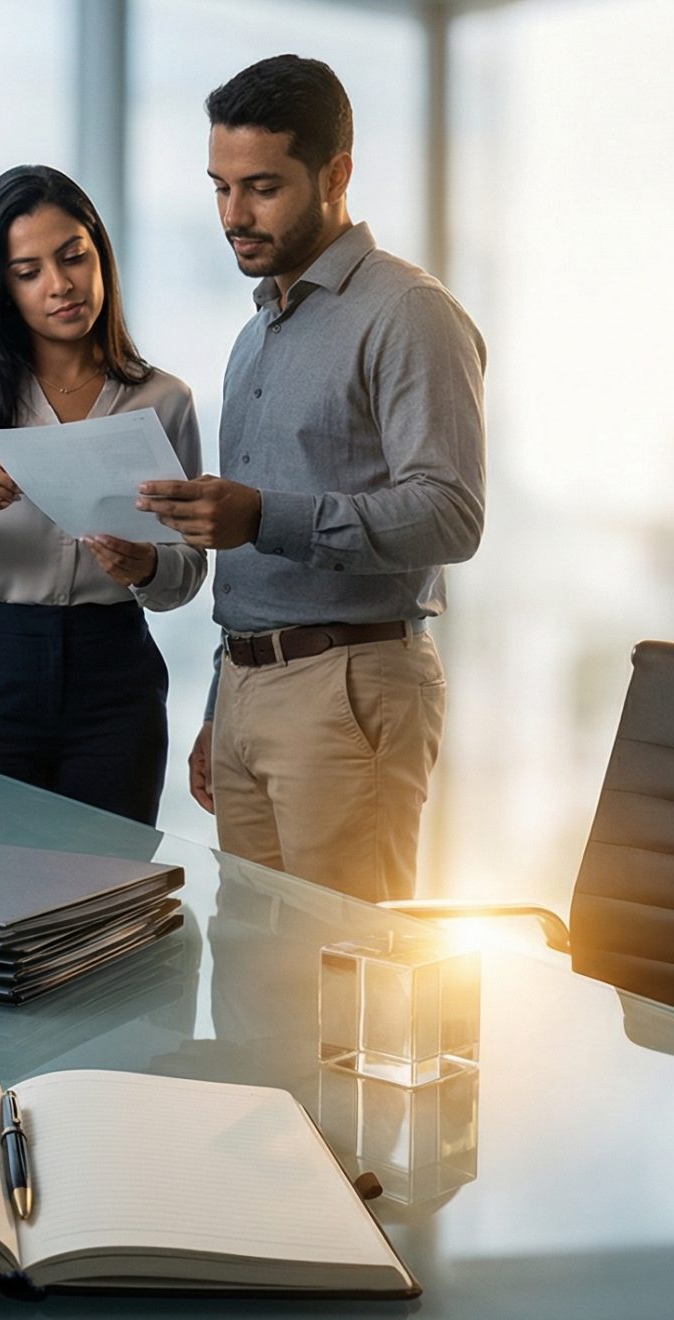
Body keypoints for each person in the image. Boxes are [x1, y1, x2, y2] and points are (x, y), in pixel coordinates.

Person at [136, 56, 486, 904]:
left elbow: (451, 515)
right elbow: (250, 554)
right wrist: (226, 703)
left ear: (336, 175)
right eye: (219, 187)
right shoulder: (256, 334)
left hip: (349, 685)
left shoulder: (408, 313)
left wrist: (263, 515)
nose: (233, 215)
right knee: (255, 989)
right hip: (251, 685)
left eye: (261, 187)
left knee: (342, 988)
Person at [0, 164, 207, 826]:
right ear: (1, 287)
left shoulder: (163, 399)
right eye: (28, 271)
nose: (60, 285)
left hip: (114, 675)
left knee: (107, 895)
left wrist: (146, 565)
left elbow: (186, 574)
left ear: (100, 257)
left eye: (72, 258)